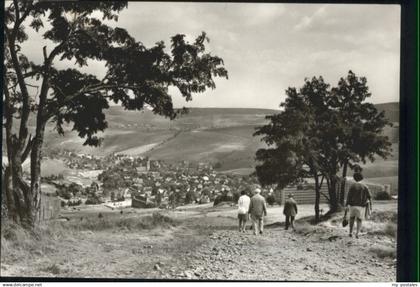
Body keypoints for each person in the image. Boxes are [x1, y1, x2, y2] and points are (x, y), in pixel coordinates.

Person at [346, 172, 372, 239]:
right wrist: (368, 204)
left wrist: (347, 204)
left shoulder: (352, 186)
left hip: (352, 205)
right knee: (359, 220)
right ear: (362, 178)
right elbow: (369, 196)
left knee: (351, 218)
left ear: (354, 178)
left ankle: (350, 232)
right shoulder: (365, 186)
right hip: (361, 206)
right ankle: (357, 233)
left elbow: (348, 196)